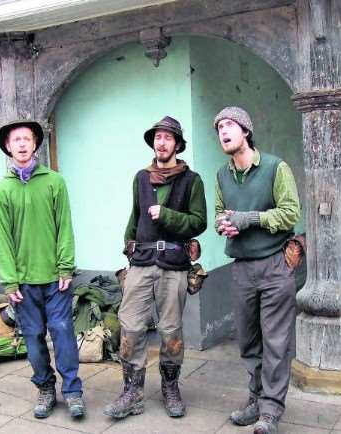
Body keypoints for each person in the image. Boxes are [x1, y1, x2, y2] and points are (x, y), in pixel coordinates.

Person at [104, 116, 207, 419]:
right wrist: (128, 249)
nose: (161, 143)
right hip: (142, 264)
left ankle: (170, 388)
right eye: (157, 138)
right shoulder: (141, 177)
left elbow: (199, 222)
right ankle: (132, 392)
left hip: (174, 266)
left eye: (167, 137)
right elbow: (134, 218)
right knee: (131, 326)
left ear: (177, 144)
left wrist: (168, 216)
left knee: (171, 331)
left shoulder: (192, 180)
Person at [213, 107, 300, 434]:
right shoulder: (222, 174)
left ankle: (271, 410)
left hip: (275, 265)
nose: (223, 130)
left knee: (276, 341)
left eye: (229, 124)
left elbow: (290, 214)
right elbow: (221, 212)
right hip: (241, 270)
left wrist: (248, 219)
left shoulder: (276, 168)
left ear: (246, 131)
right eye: (219, 127)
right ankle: (256, 399)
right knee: (249, 341)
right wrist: (226, 225)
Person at [0, 120, 85, 419]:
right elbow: (2, 240)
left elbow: (65, 228)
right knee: (33, 339)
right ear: (8, 146)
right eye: (15, 139)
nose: (21, 144)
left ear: (35, 144)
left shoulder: (54, 181)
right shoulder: (2, 190)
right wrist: (9, 282)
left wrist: (65, 268)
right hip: (23, 283)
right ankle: (45, 388)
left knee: (62, 333)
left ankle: (72, 391)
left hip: (56, 279)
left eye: (27, 139)